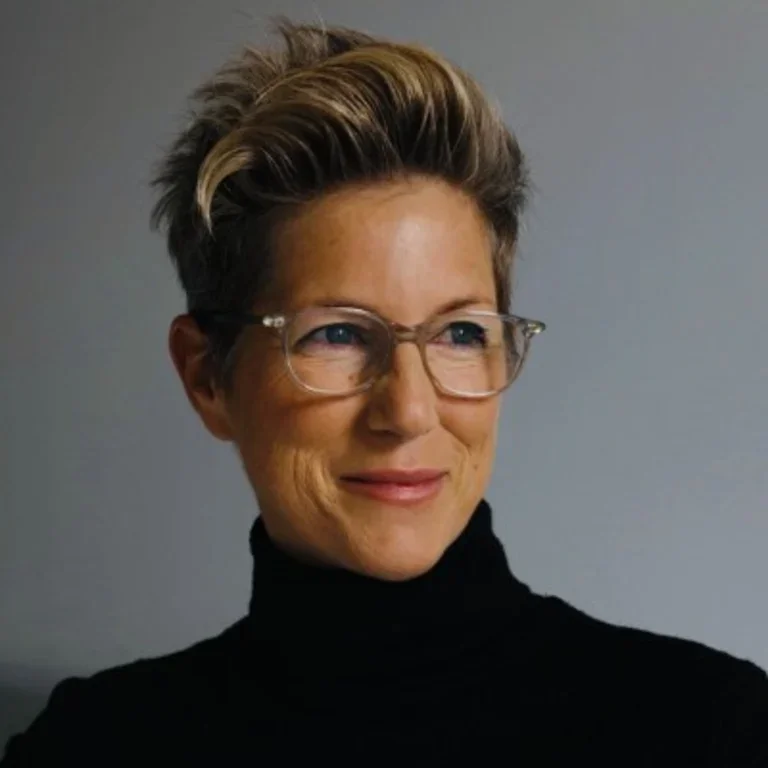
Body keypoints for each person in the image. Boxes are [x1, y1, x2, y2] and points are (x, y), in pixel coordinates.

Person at [3, 17, 767, 767]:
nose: (408, 411)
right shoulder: (91, 747)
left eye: (459, 333)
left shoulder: (711, 731)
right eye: (337, 333)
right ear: (207, 377)